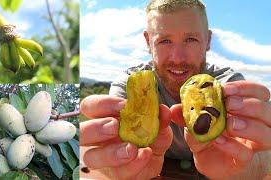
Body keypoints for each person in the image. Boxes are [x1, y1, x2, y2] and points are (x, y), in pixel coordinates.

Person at [80, 0, 271, 179]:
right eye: (164, 41)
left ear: (208, 40)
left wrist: (254, 166)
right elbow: (111, 148)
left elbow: (259, 148)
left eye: (191, 39)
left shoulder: (230, 86)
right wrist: (116, 163)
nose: (178, 57)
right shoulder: (130, 85)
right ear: (148, 42)